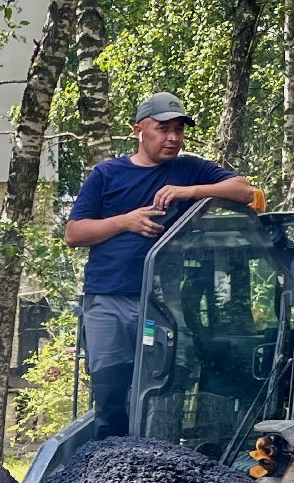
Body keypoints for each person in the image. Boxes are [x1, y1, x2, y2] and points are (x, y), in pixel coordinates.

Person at [65, 91, 257, 438]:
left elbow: (245, 191)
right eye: (163, 129)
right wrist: (126, 222)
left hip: (163, 304)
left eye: (179, 130)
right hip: (108, 300)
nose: (173, 138)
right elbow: (74, 233)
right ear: (139, 129)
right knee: (110, 392)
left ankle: (157, 459)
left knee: (167, 386)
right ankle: (107, 465)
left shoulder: (188, 170)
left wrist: (189, 192)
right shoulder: (106, 174)